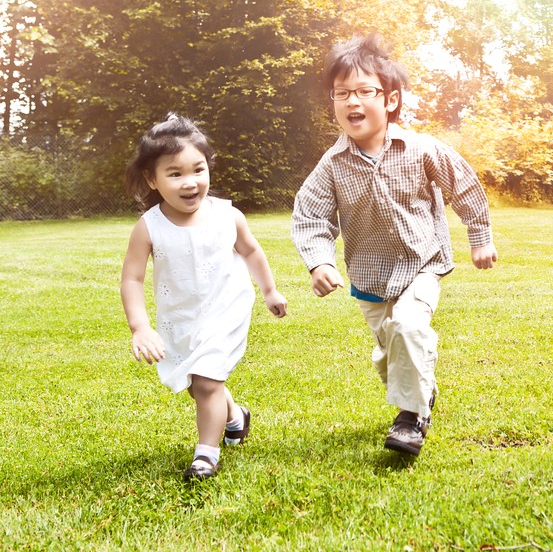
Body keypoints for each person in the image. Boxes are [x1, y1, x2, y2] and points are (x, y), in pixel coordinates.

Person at [291, 34, 497, 457]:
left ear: (390, 100)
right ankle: (421, 392)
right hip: (369, 276)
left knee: (407, 327)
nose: (353, 101)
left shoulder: (420, 148)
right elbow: (310, 216)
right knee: (389, 356)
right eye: (341, 93)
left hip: (422, 263)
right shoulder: (332, 165)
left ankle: (410, 419)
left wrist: (480, 239)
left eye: (365, 91)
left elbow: (466, 187)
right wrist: (319, 262)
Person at [121, 113, 287, 481]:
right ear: (153, 179)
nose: (190, 182)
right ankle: (235, 417)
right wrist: (140, 327)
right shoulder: (149, 226)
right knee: (200, 385)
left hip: (226, 307)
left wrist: (270, 289)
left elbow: (252, 251)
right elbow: (132, 279)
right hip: (181, 316)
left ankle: (206, 454)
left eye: (198, 170)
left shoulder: (228, 216)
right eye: (175, 174)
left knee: (208, 379)